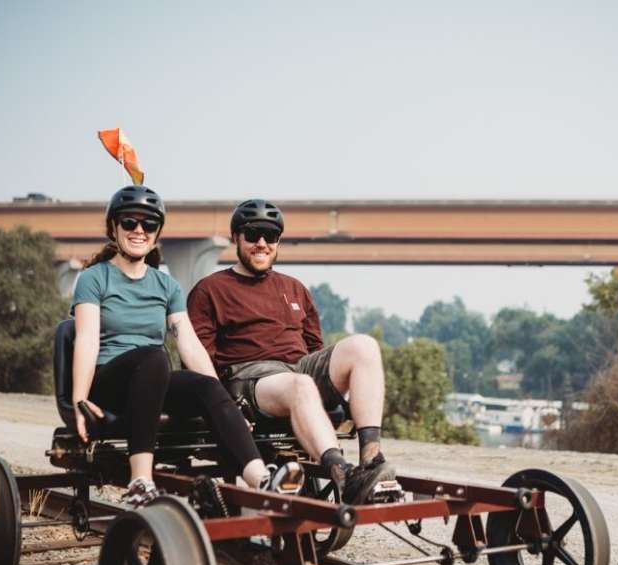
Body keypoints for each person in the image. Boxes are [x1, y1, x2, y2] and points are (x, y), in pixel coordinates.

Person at [71, 186, 288, 507]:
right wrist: (79, 401)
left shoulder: (166, 285)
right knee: (155, 358)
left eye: (148, 225)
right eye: (129, 223)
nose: (139, 231)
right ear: (113, 228)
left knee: (206, 386)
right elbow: (86, 340)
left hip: (150, 381)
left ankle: (262, 480)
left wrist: (226, 404)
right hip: (109, 381)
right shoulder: (94, 278)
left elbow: (189, 344)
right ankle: (140, 482)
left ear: (157, 232)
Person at [187, 199, 397, 505]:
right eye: (253, 234)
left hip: (298, 370)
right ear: (236, 238)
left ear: (278, 241)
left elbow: (315, 348)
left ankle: (371, 461)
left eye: (270, 236)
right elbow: (199, 357)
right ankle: (342, 474)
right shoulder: (210, 290)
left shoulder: (295, 288)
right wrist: (225, 408)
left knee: (364, 345)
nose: (261, 243)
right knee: (300, 385)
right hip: (250, 379)